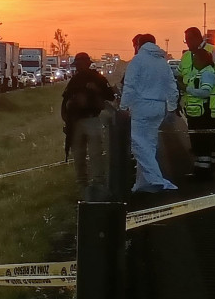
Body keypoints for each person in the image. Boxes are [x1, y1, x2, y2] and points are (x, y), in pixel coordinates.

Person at [120, 34, 179, 193]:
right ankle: (142, 184)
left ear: (139, 44)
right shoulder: (162, 62)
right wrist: (172, 107)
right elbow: (172, 86)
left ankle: (156, 180)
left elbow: (129, 86)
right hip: (159, 106)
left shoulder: (138, 61)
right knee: (149, 145)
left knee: (138, 144)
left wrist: (123, 106)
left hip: (141, 106)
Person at [61, 52, 116, 200]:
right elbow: (65, 101)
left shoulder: (97, 78)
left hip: (92, 120)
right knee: (79, 157)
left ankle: (97, 188)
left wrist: (96, 90)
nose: (78, 66)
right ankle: (84, 190)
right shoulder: (74, 80)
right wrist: (67, 120)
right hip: (76, 122)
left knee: (95, 155)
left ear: (86, 63)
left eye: (79, 63)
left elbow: (110, 95)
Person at [184, 48, 215, 176]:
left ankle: (202, 172)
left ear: (203, 60)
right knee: (203, 141)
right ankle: (203, 169)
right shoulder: (201, 72)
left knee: (202, 142)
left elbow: (205, 92)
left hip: (203, 113)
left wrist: (188, 89)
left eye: (195, 59)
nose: (193, 61)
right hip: (199, 113)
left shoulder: (207, 73)